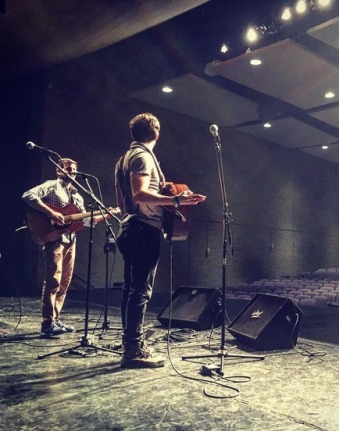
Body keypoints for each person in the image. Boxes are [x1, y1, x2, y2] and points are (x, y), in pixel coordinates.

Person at [115, 112, 205, 369]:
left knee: (130, 291)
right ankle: (133, 350)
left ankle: (130, 344)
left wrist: (172, 192)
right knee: (141, 291)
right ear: (156, 132)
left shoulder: (123, 159)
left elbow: (124, 201)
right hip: (144, 230)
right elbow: (141, 194)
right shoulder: (143, 156)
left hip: (130, 227)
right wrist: (177, 201)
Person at [22, 158, 107, 337]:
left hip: (70, 240)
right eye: (68, 169)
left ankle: (56, 319)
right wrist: (52, 213)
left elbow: (85, 221)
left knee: (65, 282)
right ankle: (47, 322)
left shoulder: (77, 196)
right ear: (59, 171)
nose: (72, 172)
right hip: (54, 238)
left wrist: (105, 215)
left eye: (74, 170)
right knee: (53, 279)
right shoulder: (52, 185)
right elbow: (28, 195)